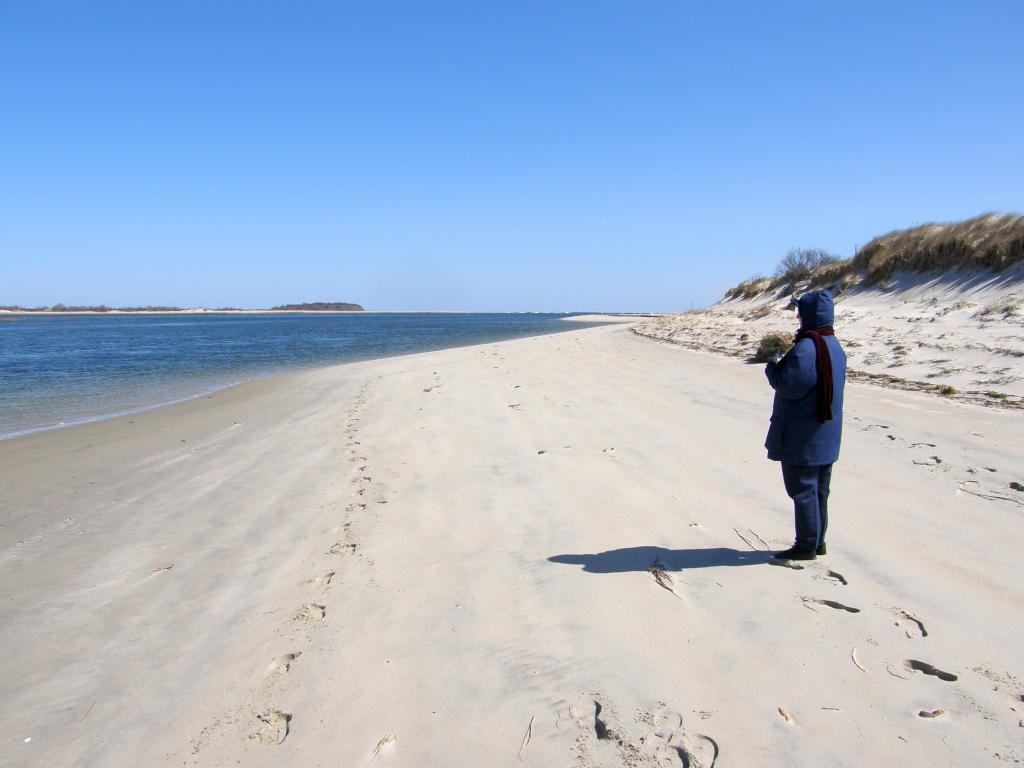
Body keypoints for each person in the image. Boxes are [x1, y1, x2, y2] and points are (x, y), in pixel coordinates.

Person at [764, 289, 846, 560]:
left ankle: (806, 545)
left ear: (808, 315)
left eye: (800, 312)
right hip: (826, 431)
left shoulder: (807, 348)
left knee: (802, 489)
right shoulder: (833, 344)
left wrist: (773, 367)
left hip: (805, 433)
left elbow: (790, 384)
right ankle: (817, 541)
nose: (797, 316)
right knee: (819, 489)